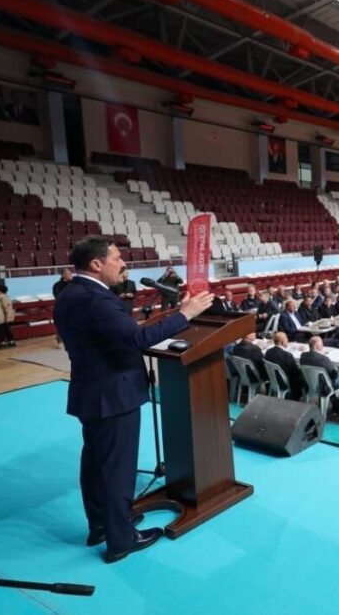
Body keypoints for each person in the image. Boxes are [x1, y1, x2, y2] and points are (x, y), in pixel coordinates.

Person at [55, 236, 213, 563]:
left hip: (91, 391)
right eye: (116, 258)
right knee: (118, 469)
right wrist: (185, 315)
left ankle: (102, 524)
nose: (123, 263)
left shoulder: (70, 293)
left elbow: (114, 335)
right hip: (115, 395)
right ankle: (122, 538)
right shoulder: (97, 299)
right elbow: (137, 339)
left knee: (96, 463)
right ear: (96, 264)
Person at [264, 331, 304, 400]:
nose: (288, 340)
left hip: (272, 380)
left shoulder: (268, 352)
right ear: (282, 342)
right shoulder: (287, 355)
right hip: (284, 382)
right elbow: (295, 372)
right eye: (286, 339)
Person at [53, 268, 74, 347]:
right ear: (63, 275)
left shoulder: (74, 284)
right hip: (63, 308)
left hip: (74, 307)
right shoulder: (57, 285)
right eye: (68, 273)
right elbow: (57, 296)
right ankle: (60, 341)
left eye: (70, 273)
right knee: (62, 325)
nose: (70, 275)